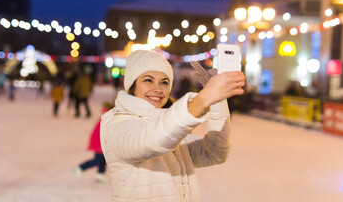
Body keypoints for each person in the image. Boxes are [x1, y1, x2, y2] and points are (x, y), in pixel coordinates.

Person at [100, 50, 245, 201]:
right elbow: (152, 140)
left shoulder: (170, 128)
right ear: (132, 84)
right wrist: (206, 97)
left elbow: (214, 153)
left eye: (164, 82)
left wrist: (217, 101)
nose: (158, 89)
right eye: (148, 80)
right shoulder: (117, 123)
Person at [72, 101, 113, 182]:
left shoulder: (107, 116)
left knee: (104, 159)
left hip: (101, 141)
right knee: (97, 160)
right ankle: (79, 168)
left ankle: (100, 174)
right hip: (99, 142)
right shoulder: (107, 118)